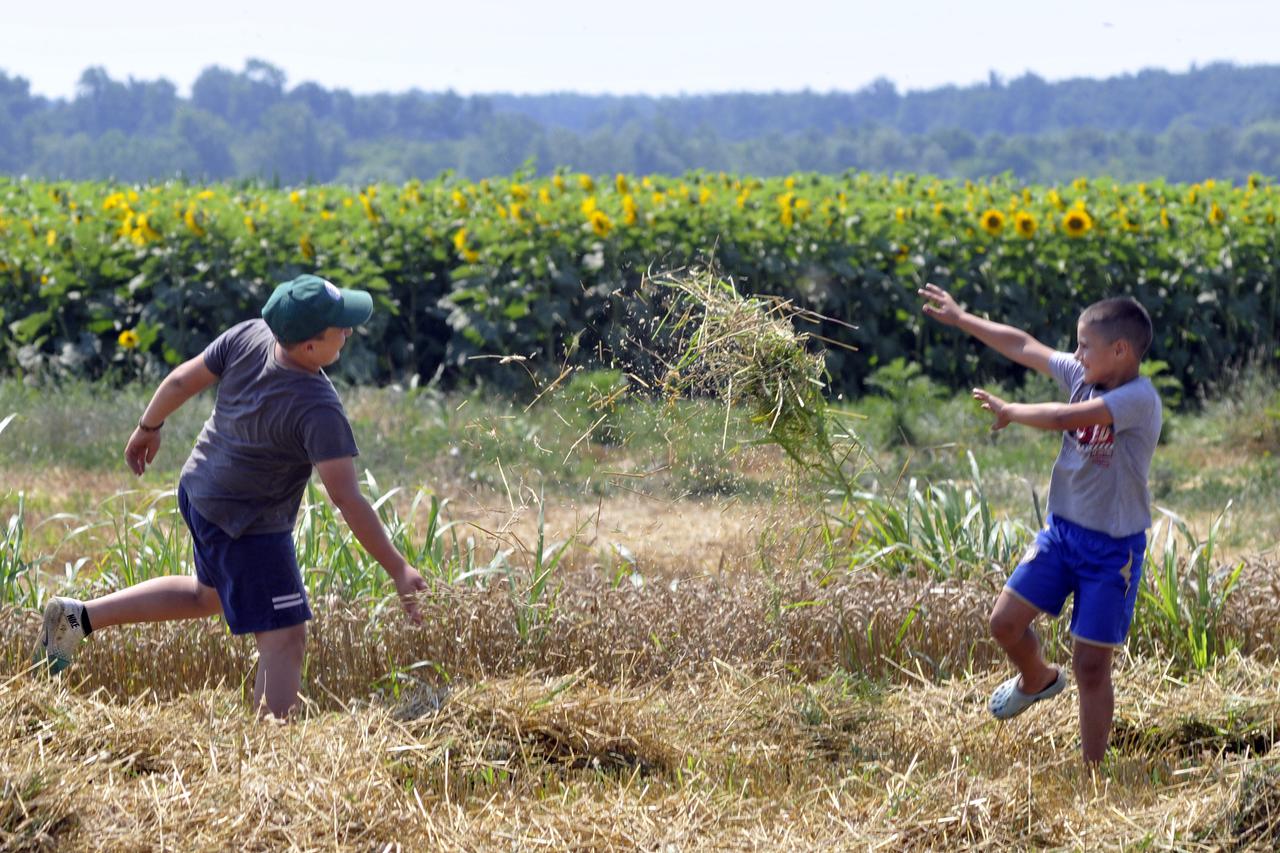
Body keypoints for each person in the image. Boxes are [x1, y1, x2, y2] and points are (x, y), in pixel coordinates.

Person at [32, 274, 427, 719]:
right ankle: (270, 752)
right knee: (285, 638)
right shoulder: (318, 406)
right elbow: (348, 498)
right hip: (247, 525)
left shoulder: (252, 333)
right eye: (341, 327)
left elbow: (182, 380)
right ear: (310, 347)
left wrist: (149, 427)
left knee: (208, 596)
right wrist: (398, 567)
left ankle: (76, 618)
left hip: (200, 490)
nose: (350, 332)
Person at [918, 282, 1161, 765]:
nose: (1075, 353)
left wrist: (1013, 412)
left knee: (1092, 667)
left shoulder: (1138, 399)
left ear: (1120, 350)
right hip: (1062, 535)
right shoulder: (1083, 373)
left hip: (1113, 551)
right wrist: (962, 317)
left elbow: (1065, 418)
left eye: (1085, 345)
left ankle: (1092, 772)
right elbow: (1024, 346)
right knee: (1004, 624)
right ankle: (1037, 679)